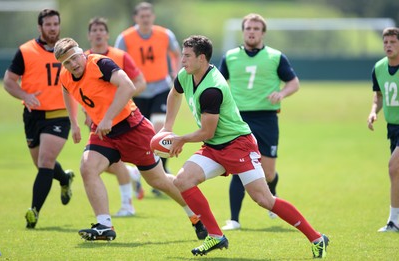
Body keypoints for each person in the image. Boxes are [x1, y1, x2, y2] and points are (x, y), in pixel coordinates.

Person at [162, 35, 329, 258]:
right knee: (183, 181)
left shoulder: (213, 89)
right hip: (214, 147)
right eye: (182, 55)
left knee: (263, 199)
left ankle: (316, 238)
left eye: (187, 56)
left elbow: (207, 131)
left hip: (238, 145)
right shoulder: (185, 75)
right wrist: (167, 127)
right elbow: (174, 94)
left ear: (202, 58)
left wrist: (180, 139)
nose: (182, 60)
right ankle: (216, 236)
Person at [53, 37, 207, 241]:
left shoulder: (100, 63)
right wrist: (73, 122)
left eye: (74, 58)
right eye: (66, 62)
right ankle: (104, 225)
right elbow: (66, 90)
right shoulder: (65, 75)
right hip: (104, 133)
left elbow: (128, 86)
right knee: (87, 167)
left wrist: (107, 117)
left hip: (132, 128)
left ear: (82, 53)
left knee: (158, 181)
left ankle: (196, 215)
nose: (72, 64)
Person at [218, 13, 300, 230]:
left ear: (263, 33)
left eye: (256, 28)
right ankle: (234, 219)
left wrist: (282, 94)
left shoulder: (276, 57)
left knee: (268, 172)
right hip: (238, 119)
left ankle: (272, 196)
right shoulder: (230, 57)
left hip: (267, 118)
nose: (251, 32)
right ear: (243, 31)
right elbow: (217, 83)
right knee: (240, 165)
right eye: (248, 28)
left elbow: (294, 83)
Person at [3, 9, 74, 229]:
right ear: (40, 27)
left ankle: (34, 212)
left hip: (59, 115)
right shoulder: (25, 51)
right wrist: (25, 95)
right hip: (33, 116)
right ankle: (64, 179)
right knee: (42, 164)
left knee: (45, 161)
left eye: (56, 24)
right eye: (48, 24)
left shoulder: (70, 51)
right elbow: (9, 81)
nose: (53, 28)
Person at [114, 2, 181, 192]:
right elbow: (117, 62)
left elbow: (176, 54)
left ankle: (163, 171)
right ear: (136, 18)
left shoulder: (165, 34)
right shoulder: (125, 38)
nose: (145, 18)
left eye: (148, 15)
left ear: (153, 17)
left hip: (161, 88)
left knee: (159, 130)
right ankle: (144, 174)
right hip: (137, 90)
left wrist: (175, 74)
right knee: (140, 135)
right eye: (141, 16)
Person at [86, 17, 146, 217]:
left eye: (101, 29)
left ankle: (127, 205)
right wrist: (87, 114)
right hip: (96, 120)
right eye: (94, 30)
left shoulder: (120, 56)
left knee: (113, 162)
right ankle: (132, 174)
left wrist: (120, 101)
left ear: (107, 34)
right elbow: (80, 91)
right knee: (104, 165)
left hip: (121, 119)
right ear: (89, 35)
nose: (98, 33)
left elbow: (139, 82)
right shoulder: (82, 60)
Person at [368, 27, 399, 232]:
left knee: (393, 167)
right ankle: (395, 221)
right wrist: (373, 112)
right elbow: (379, 96)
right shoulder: (379, 68)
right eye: (386, 42)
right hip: (393, 127)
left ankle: (394, 221)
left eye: (393, 42)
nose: (388, 45)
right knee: (396, 173)